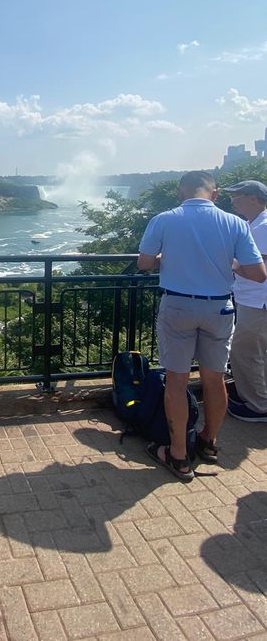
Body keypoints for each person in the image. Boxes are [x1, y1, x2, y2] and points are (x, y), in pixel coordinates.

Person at [137, 170, 266, 481]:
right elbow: (259, 274)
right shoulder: (235, 223)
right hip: (219, 308)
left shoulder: (165, 218)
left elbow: (143, 263)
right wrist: (229, 262)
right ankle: (209, 441)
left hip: (179, 305)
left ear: (181, 193)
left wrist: (164, 259)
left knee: (177, 382)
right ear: (215, 193)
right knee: (215, 379)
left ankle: (178, 455)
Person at [223, 180, 267, 422]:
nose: (232, 201)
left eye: (236, 196)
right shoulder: (254, 224)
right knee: (258, 353)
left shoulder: (263, 227)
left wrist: (228, 259)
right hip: (254, 300)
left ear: (253, 198)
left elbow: (255, 269)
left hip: (259, 302)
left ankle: (258, 406)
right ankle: (259, 396)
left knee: (244, 352)